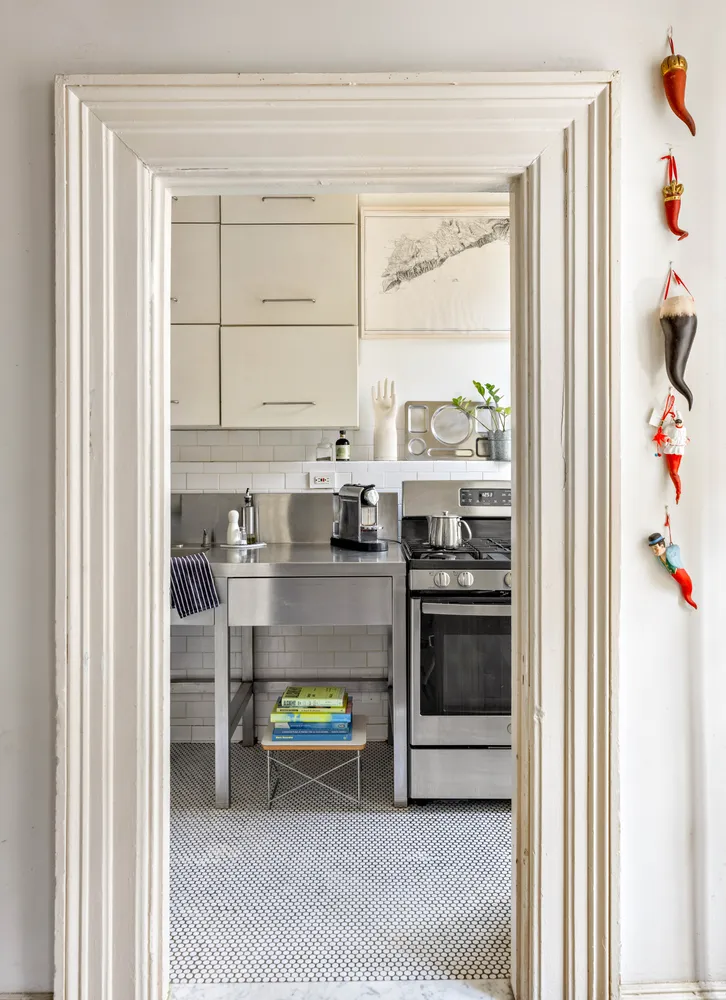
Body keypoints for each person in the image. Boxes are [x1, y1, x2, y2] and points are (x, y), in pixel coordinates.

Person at [648, 531, 697, 609]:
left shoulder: (670, 553)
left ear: (662, 545)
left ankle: (689, 598)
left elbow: (676, 548)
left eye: (655, 548)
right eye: (652, 549)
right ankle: (688, 598)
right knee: (685, 590)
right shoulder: (659, 557)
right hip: (675, 576)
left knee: (687, 589)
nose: (654, 551)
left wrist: (672, 547)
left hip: (682, 575)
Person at [661, 412, 689, 504]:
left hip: (679, 450)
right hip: (671, 449)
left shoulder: (684, 429)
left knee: (674, 472)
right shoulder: (669, 427)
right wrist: (667, 439)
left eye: (680, 421)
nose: (678, 423)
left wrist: (686, 440)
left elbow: (684, 437)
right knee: (673, 472)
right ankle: (678, 491)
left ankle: (678, 491)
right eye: (677, 421)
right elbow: (663, 435)